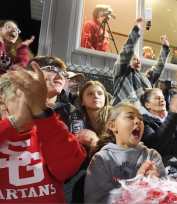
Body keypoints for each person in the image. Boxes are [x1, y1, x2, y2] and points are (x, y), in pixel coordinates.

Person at [0, 62, 86, 203]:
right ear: (2, 101)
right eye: (28, 93)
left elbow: (66, 169)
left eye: (39, 97)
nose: (36, 102)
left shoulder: (52, 130)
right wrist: (17, 122)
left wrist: (45, 118)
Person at [26, 56, 85, 203]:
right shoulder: (11, 104)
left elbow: (74, 157)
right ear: (33, 73)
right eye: (52, 70)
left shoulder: (71, 111)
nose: (60, 76)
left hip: (55, 190)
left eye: (63, 74)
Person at [84, 102, 166, 203]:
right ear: (112, 126)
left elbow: (164, 196)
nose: (138, 121)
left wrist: (156, 183)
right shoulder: (102, 159)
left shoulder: (152, 155)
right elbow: (98, 200)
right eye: (130, 117)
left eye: (141, 118)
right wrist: (137, 184)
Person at [110, 18, 170, 108]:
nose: (138, 61)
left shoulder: (146, 78)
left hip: (142, 118)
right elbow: (127, 52)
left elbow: (158, 68)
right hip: (124, 114)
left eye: (139, 59)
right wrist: (135, 32)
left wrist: (165, 48)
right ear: (128, 61)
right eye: (134, 59)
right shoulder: (121, 73)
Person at [139, 89, 177, 177]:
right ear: (147, 105)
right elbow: (155, 144)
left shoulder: (170, 119)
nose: (162, 100)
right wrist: (173, 114)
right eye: (157, 98)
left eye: (163, 98)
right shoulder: (143, 121)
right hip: (156, 170)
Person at [77, 81, 111, 148]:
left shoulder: (115, 117)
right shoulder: (76, 120)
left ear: (105, 99)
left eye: (100, 93)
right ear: (82, 101)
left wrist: (96, 143)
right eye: (90, 94)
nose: (96, 96)